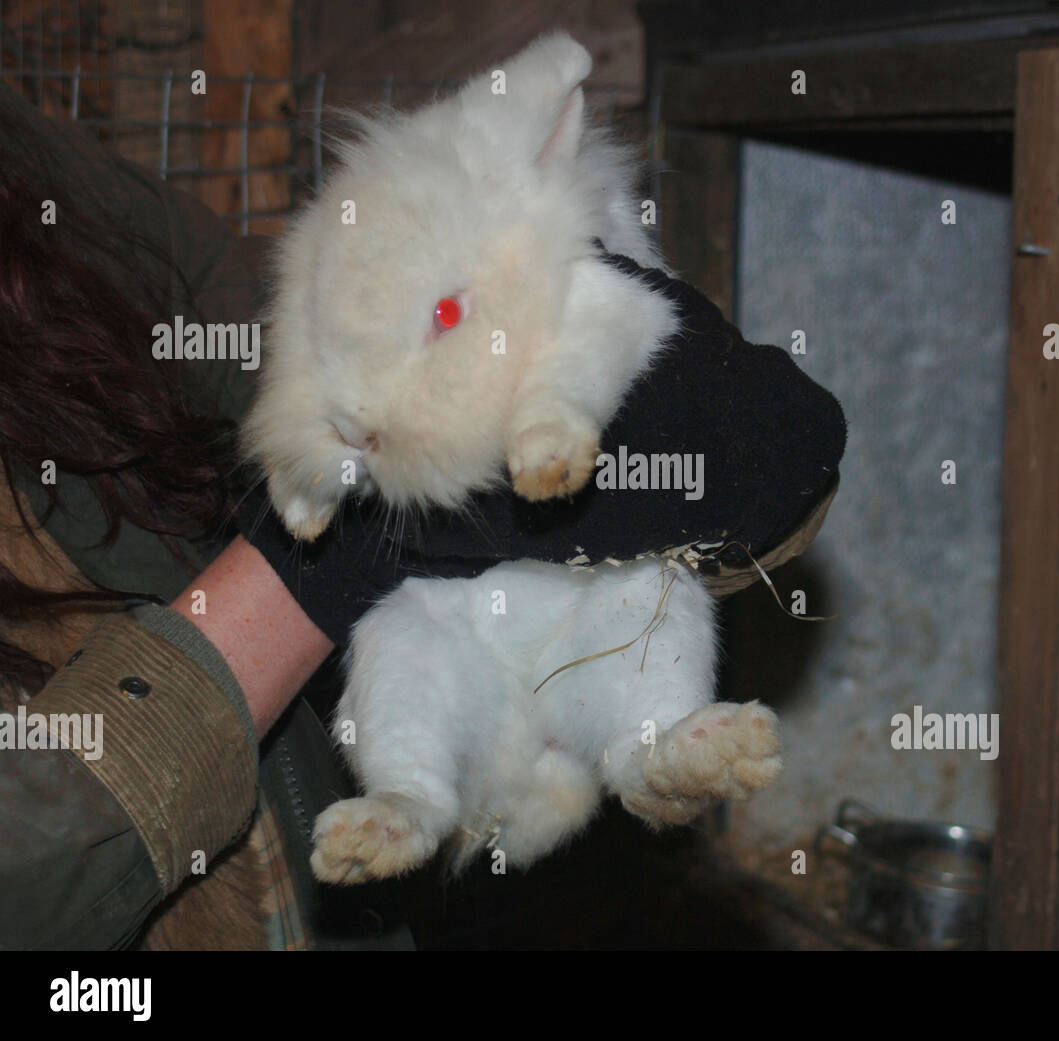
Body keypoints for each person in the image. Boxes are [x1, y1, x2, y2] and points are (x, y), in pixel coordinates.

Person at [0, 79, 845, 950]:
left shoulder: (37, 170)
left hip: (562, 661)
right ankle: (414, 791)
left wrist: (732, 449)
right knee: (398, 631)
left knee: (656, 593)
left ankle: (649, 746)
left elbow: (258, 323)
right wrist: (306, 562)